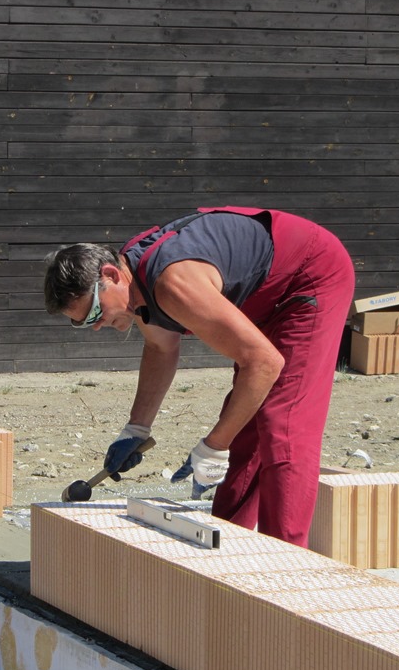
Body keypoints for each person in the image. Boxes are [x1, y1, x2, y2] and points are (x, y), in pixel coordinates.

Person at [43, 206, 355, 547]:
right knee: (244, 420)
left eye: (94, 312)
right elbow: (161, 348)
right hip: (266, 290)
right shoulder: (136, 286)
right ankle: (227, 544)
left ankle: (286, 560)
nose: (96, 325)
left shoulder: (172, 283)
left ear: (110, 275)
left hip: (310, 275)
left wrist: (215, 446)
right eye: (83, 323)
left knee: (282, 420)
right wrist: (136, 429)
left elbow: (264, 364)